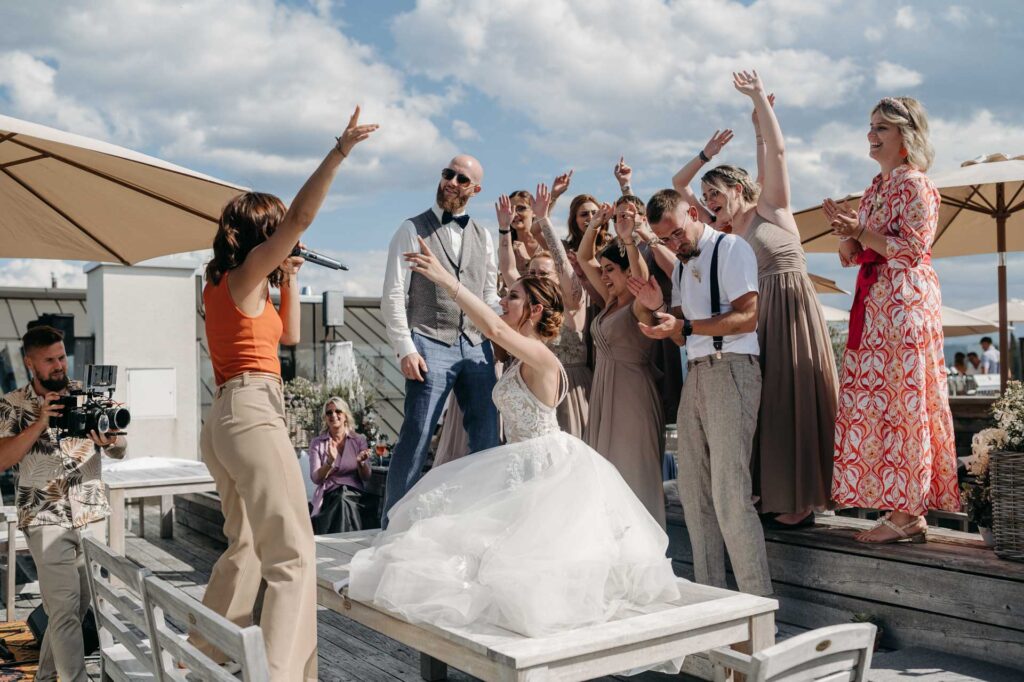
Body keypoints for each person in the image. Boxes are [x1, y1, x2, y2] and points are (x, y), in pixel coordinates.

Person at [349, 240, 680, 655]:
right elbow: (494, 331)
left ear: (535, 311)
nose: (504, 300)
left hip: (547, 469)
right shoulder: (518, 356)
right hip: (518, 464)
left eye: (513, 296)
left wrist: (446, 280)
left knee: (532, 573)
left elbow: (495, 328)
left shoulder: (542, 357)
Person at [198, 107, 377, 680]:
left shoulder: (236, 288)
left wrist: (293, 276)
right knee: (295, 555)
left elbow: (291, 338)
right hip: (252, 410)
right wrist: (339, 152)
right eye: (275, 234)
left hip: (229, 413)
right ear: (261, 235)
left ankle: (200, 656)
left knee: (247, 547)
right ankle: (279, 673)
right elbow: (299, 216)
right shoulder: (247, 273)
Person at [672, 72, 839, 528]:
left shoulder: (771, 208)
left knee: (795, 394)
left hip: (790, 306)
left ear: (740, 190)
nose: (707, 201)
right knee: (767, 404)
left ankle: (803, 496)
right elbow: (677, 182)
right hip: (758, 313)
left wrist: (760, 107)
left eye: (715, 193)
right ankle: (776, 490)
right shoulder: (725, 229)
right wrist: (708, 155)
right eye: (705, 197)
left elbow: (776, 152)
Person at [824, 96, 958, 544]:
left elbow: (913, 249)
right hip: (876, 301)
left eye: (882, 127)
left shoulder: (916, 185)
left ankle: (907, 513)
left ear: (906, 137)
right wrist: (845, 237)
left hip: (904, 303)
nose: (871, 134)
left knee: (903, 401)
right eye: (870, 126)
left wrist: (859, 232)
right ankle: (894, 506)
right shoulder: (875, 187)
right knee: (876, 404)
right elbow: (859, 253)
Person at [637, 188, 772, 597]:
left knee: (731, 495)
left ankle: (758, 607)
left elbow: (748, 317)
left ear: (694, 213)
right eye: (666, 240)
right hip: (696, 373)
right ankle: (713, 602)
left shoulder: (731, 248)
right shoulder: (680, 267)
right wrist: (663, 317)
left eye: (677, 234)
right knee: (694, 497)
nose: (675, 245)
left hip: (731, 370)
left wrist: (687, 328)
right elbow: (683, 337)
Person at [380, 154, 502, 526]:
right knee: (416, 435)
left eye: (462, 179)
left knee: (487, 435)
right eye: (448, 174)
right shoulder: (410, 228)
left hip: (476, 343)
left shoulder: (484, 236)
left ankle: (485, 519)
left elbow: (490, 295)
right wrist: (406, 348)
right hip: (429, 341)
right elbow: (393, 294)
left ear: (475, 189)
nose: (452, 182)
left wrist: (506, 333)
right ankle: (393, 525)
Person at [0, 326, 126, 682]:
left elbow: (119, 447)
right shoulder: (11, 404)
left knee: (75, 607)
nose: (59, 365)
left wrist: (111, 438)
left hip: (89, 510)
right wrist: (40, 422)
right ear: (30, 363)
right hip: (44, 514)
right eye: (50, 360)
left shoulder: (89, 395)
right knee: (65, 609)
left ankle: (44, 677)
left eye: (61, 357)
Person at [577, 199, 667, 527]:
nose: (604, 276)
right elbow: (583, 258)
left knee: (632, 476)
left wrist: (628, 239)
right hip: (604, 397)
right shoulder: (611, 301)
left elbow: (641, 275)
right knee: (606, 477)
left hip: (633, 398)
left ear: (628, 270)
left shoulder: (639, 305)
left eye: (611, 270)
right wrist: (595, 224)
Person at [500, 184, 593, 437]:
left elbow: (563, 263)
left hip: (570, 386)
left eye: (543, 273)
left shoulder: (573, 301)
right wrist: (504, 229)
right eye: (532, 272)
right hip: (534, 386)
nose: (536, 277)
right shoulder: (527, 302)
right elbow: (508, 269)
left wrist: (544, 218)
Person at [308, 397, 371, 534]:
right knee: (340, 500)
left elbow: (366, 476)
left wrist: (361, 463)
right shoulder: (317, 443)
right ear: (325, 417)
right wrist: (329, 461)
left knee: (343, 499)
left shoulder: (359, 440)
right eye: (329, 413)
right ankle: (345, 540)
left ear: (345, 416)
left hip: (354, 493)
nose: (333, 415)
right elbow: (316, 478)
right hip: (329, 494)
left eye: (338, 411)